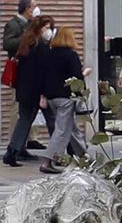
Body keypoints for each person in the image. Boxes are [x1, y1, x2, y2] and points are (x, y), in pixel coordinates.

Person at [36, 21, 89, 174]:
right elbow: (76, 78)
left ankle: (83, 157)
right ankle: (47, 162)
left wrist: (43, 95)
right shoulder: (71, 55)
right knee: (61, 131)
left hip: (52, 98)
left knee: (72, 128)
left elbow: (43, 76)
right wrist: (82, 96)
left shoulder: (49, 54)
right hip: (65, 98)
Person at [8, 14, 56, 167]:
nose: (50, 31)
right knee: (53, 121)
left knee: (24, 121)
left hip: (24, 90)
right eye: (47, 28)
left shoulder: (26, 44)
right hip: (37, 91)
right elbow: (43, 71)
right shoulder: (40, 46)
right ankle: (59, 152)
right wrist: (45, 93)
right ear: (39, 29)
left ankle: (12, 152)